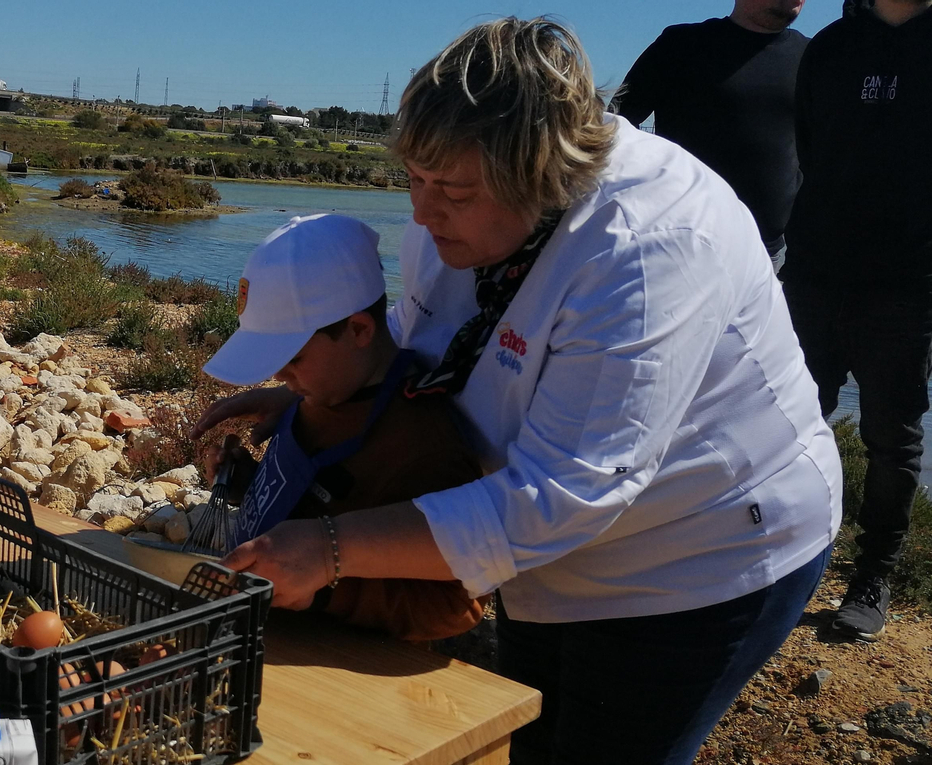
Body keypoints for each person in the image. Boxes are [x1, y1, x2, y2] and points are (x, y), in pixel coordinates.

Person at [192, 18, 840, 764]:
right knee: (529, 736)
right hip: (545, 553)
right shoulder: (458, 210)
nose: (423, 212)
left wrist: (330, 549)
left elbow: (560, 497)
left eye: (453, 192)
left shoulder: (647, 248)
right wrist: (313, 396)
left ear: (540, 172)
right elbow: (423, 331)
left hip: (701, 553)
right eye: (415, 180)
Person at [199, 213, 487, 642]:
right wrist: (247, 484)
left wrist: (325, 589)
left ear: (358, 329)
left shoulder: (423, 443)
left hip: (337, 666)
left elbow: (456, 608)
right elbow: (318, 501)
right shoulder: (324, 392)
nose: (279, 376)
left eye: (293, 359)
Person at [782, 0, 932, 642]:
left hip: (909, 282)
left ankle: (872, 575)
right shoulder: (830, 47)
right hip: (813, 269)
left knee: (894, 435)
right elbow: (811, 147)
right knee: (788, 420)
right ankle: (780, 555)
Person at [611, 0, 808, 267]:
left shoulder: (812, 57)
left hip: (769, 256)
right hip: (678, 249)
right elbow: (613, 128)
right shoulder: (681, 45)